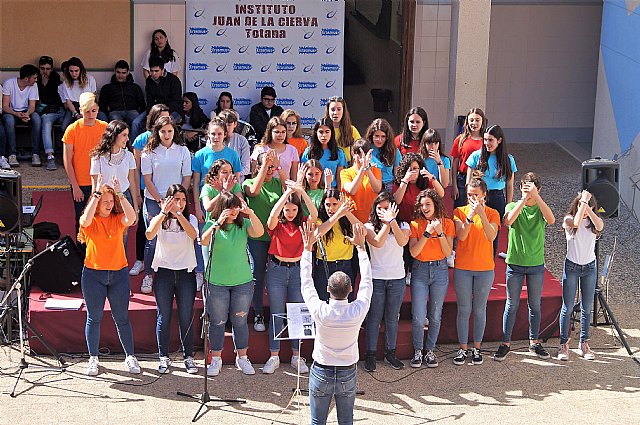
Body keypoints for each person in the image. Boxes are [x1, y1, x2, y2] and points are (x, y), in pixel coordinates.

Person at [299, 220, 372, 425]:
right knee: (346, 421)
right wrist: (361, 248)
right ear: (350, 290)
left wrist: (307, 249)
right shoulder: (357, 311)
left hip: (322, 369)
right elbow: (367, 281)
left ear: (328, 290)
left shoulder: (320, 310)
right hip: (347, 370)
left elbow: (306, 282)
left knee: (317, 422)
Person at [78, 174, 139, 376]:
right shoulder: (91, 220)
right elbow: (84, 220)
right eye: (105, 201)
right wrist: (96, 193)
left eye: (110, 201)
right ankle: (93, 358)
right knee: (94, 317)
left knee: (122, 318)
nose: (108, 204)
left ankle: (130, 356)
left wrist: (120, 194)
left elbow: (131, 218)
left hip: (118, 274)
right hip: (93, 275)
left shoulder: (117, 220)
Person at [201, 193, 264, 376]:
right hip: (217, 282)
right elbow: (203, 241)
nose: (235, 211)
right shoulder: (212, 225)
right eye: (231, 207)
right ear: (222, 208)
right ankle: (216, 359)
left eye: (236, 207)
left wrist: (250, 213)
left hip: (242, 282)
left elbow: (259, 232)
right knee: (218, 321)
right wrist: (218, 222)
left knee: (240, 321)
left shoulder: (243, 225)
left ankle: (242, 357)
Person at [495, 172, 555, 361]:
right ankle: (506, 343)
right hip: (515, 263)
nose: (528, 191)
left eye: (532, 188)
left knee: (534, 305)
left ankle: (534, 342)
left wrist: (536, 197)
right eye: (525, 187)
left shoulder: (540, 208)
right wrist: (523, 199)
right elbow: (508, 221)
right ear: (520, 188)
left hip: (536, 264)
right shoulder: (512, 205)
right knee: (511, 304)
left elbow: (552, 220)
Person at [261, 179, 318, 374]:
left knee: (297, 313)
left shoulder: (303, 224)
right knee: (277, 313)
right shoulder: (277, 225)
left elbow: (314, 214)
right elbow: (272, 216)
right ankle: (274, 355)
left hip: (297, 271)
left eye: (293, 210)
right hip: (277, 270)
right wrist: (286, 195)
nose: (290, 213)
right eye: (287, 210)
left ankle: (296, 355)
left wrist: (301, 192)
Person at [145, 184, 198, 374]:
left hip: (185, 273)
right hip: (164, 273)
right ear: (169, 200)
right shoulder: (160, 220)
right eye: (176, 199)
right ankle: (163, 356)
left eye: (183, 200)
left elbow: (193, 235)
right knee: (164, 316)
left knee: (185, 316)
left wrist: (179, 215)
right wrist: (163, 213)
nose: (180, 203)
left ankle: (188, 356)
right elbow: (149, 234)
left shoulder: (190, 218)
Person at [452, 171, 500, 366]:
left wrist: (481, 214)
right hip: (463, 267)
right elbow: (461, 236)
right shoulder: (459, 212)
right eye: (469, 194)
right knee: (464, 309)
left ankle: (477, 348)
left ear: (484, 195)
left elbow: (492, 236)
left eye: (475, 195)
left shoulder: (492, 213)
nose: (472, 198)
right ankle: (463, 348)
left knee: (480, 309)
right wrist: (471, 216)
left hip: (484, 268)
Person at [140, 116, 192, 294]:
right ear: (157, 132)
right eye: (163, 131)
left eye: (170, 131)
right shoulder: (148, 152)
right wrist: (162, 202)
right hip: (155, 200)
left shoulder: (183, 150)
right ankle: (148, 275)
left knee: (180, 235)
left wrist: (178, 199)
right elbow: (147, 179)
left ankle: (180, 273)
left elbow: (186, 178)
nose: (167, 134)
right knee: (152, 239)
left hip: (178, 200)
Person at [363, 192, 410, 372]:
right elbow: (377, 243)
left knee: (392, 318)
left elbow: (403, 241)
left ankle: (391, 352)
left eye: (387, 208)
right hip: (376, 277)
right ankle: (371, 354)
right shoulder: (369, 226)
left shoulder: (403, 224)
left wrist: (393, 222)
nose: (383, 211)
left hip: (397, 277)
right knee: (374, 317)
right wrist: (386, 224)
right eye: (380, 208)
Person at [408, 189, 454, 368]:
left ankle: (430, 350)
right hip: (419, 270)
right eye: (422, 205)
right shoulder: (415, 224)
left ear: (436, 204)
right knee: (419, 316)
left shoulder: (448, 223)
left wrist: (440, 232)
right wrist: (427, 233)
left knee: (435, 314)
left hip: (440, 269)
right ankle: (418, 350)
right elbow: (413, 252)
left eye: (428, 204)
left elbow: (447, 252)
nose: (425, 208)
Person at [243, 150, 286, 331]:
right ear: (258, 167)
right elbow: (253, 192)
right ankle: (258, 313)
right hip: (257, 238)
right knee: (257, 275)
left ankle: (281, 315)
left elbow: (291, 191)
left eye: (272, 167)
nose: (270, 170)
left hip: (277, 237)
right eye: (266, 167)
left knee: (280, 277)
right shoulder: (248, 182)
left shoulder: (277, 181)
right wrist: (263, 169)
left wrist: (279, 167)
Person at [557, 190, 603, 361]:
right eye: (580, 206)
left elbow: (600, 226)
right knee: (567, 306)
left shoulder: (593, 222)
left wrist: (588, 208)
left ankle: (584, 342)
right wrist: (583, 202)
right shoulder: (568, 220)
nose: (583, 210)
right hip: (572, 266)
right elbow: (575, 222)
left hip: (589, 267)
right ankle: (563, 343)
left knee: (586, 307)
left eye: (586, 206)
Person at [130, 104, 171, 277]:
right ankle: (140, 260)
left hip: (166, 192)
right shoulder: (141, 139)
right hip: (144, 191)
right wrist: (137, 194)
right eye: (161, 117)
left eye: (167, 117)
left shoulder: (171, 139)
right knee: (143, 229)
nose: (164, 121)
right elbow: (135, 169)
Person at [466, 124, 517, 256]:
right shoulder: (476, 156)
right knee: (475, 228)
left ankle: (490, 261)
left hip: (497, 197)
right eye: (485, 140)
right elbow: (468, 181)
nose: (487, 143)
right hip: (478, 196)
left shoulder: (508, 159)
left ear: (499, 141)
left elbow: (510, 185)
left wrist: (509, 207)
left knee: (493, 232)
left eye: (491, 140)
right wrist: (469, 200)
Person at [63, 92, 108, 235]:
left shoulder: (105, 128)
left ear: (98, 110)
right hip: (81, 184)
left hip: (102, 182)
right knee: (82, 220)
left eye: (93, 111)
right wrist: (75, 186)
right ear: (81, 110)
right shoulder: (72, 129)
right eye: (87, 111)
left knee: (102, 219)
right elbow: (67, 161)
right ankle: (82, 255)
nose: (90, 114)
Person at [89, 120, 138, 247]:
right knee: (103, 238)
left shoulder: (129, 156)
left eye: (127, 135)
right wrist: (93, 208)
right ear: (114, 135)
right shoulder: (97, 157)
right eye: (124, 135)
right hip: (104, 199)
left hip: (124, 198)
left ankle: (121, 267)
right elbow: (94, 186)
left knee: (122, 240)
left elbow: (132, 182)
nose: (127, 139)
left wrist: (135, 208)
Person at [314, 191, 360, 302]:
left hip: (346, 266)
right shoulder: (320, 220)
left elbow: (362, 230)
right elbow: (317, 234)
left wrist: (346, 213)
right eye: (328, 205)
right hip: (325, 267)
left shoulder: (347, 220)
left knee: (346, 303)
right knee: (324, 303)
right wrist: (338, 214)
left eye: (335, 204)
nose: (331, 208)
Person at [2, 64, 42, 167]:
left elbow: (32, 106)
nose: (36, 80)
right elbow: (5, 106)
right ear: (26, 79)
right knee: (9, 120)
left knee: (37, 119)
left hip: (26, 112)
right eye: (34, 78)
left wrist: (27, 114)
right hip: (12, 112)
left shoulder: (34, 86)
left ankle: (35, 153)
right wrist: (16, 114)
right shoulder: (9, 83)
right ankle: (12, 154)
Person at [98, 60, 146, 141]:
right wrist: (108, 112)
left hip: (132, 110)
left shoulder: (135, 87)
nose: (120, 75)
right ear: (114, 71)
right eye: (118, 72)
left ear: (127, 72)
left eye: (123, 73)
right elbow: (102, 105)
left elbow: (141, 103)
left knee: (136, 121)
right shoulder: (107, 88)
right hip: (115, 111)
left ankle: (133, 145)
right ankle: (118, 145)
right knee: (116, 122)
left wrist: (138, 111)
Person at [393, 152, 445, 224]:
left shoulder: (425, 181)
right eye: (409, 169)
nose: (412, 172)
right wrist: (405, 180)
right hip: (405, 222)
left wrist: (432, 178)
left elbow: (441, 194)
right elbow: (396, 201)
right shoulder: (399, 183)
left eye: (415, 168)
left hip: (423, 222)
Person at [340, 138, 382, 224]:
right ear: (353, 154)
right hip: (352, 219)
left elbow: (377, 189)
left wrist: (367, 169)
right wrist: (362, 169)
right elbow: (352, 190)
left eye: (365, 155)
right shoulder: (345, 172)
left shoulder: (376, 171)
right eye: (359, 155)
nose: (362, 158)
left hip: (371, 219)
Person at [450, 108, 485, 208]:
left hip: (480, 178)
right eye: (471, 120)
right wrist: (454, 185)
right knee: (461, 209)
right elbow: (455, 163)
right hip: (462, 178)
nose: (474, 123)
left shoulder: (486, 141)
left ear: (482, 122)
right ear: (467, 122)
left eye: (477, 120)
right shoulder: (460, 139)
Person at [36, 55, 64, 171]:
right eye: (42, 69)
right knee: (46, 124)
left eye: (47, 69)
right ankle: (50, 156)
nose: (45, 71)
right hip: (47, 112)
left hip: (60, 110)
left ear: (51, 69)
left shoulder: (57, 81)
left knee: (68, 126)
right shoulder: (36, 81)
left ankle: (66, 155)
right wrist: (42, 83)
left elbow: (60, 100)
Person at [301, 118, 347, 189]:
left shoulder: (338, 153)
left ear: (332, 133)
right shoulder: (308, 152)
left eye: (327, 132)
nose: (324, 135)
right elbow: (302, 176)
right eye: (321, 132)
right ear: (316, 133)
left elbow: (339, 178)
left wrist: (339, 194)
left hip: (331, 191)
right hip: (312, 191)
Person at [59, 57, 102, 133]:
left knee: (103, 122)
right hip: (73, 107)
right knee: (64, 127)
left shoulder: (90, 79)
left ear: (81, 70)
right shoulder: (65, 83)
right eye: (71, 71)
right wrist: (76, 114)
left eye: (76, 71)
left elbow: (93, 97)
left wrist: (86, 112)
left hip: (89, 105)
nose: (74, 73)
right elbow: (68, 102)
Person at [251, 116, 299, 180]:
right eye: (277, 132)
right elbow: (254, 176)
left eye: (283, 132)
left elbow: (294, 177)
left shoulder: (292, 150)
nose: (280, 135)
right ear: (270, 132)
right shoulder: (260, 149)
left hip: (285, 188)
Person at [365, 118, 400, 193]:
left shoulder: (394, 150)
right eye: (376, 136)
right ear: (372, 136)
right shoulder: (366, 148)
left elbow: (397, 174)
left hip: (388, 186)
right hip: (370, 185)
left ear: (387, 137)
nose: (379, 140)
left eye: (383, 136)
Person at [324, 96, 360, 163]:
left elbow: (360, 150)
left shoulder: (351, 130)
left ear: (343, 111)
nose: (335, 113)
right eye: (332, 109)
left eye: (339, 109)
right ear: (328, 111)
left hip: (347, 167)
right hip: (328, 166)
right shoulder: (322, 130)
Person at [218, 109, 251, 180]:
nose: (226, 128)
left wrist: (230, 175)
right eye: (224, 125)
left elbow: (246, 168)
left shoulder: (242, 140)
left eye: (229, 125)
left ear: (235, 124)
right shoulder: (213, 140)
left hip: (237, 182)